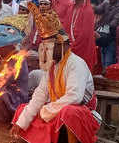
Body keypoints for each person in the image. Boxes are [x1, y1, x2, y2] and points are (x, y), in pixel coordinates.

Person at [11, 12, 99, 143]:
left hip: (82, 111)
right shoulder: (52, 66)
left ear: (63, 45)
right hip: (57, 107)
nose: (46, 51)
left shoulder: (76, 63)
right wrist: (22, 122)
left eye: (49, 47)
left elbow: (75, 97)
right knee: (23, 110)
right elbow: (40, 95)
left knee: (68, 112)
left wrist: (47, 110)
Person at [65, 0, 97, 73]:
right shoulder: (71, 7)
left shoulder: (88, 10)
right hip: (69, 45)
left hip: (82, 47)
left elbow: (85, 34)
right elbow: (66, 27)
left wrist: (73, 46)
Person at [94, 0, 119, 69]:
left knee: (108, 63)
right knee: (103, 60)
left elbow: (114, 23)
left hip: (112, 39)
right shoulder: (106, 4)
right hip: (103, 37)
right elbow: (97, 10)